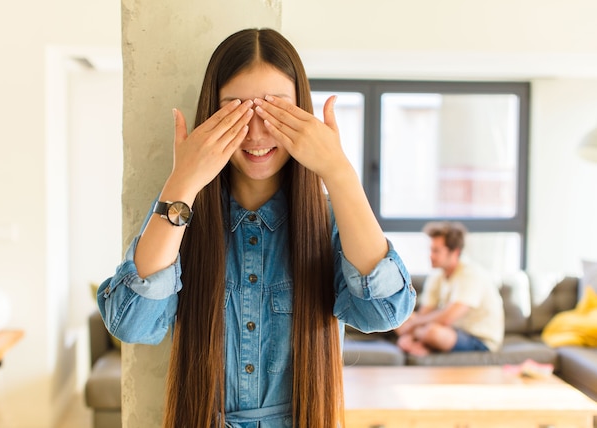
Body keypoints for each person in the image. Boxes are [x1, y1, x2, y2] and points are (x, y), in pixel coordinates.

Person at [97, 28, 416, 428]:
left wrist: (338, 171)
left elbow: (385, 311)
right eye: (237, 110)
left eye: (275, 110)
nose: (257, 131)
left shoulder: (328, 220)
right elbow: (132, 322)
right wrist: (182, 182)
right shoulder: (179, 214)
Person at [395, 221, 504, 357]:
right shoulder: (437, 275)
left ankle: (423, 345)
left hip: (479, 339)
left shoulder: (471, 274)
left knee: (432, 332)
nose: (430, 256)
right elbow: (425, 312)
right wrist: (409, 334)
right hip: (450, 330)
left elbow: (447, 317)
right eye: (430, 250)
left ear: (455, 252)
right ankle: (420, 345)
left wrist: (413, 326)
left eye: (436, 251)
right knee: (399, 319)